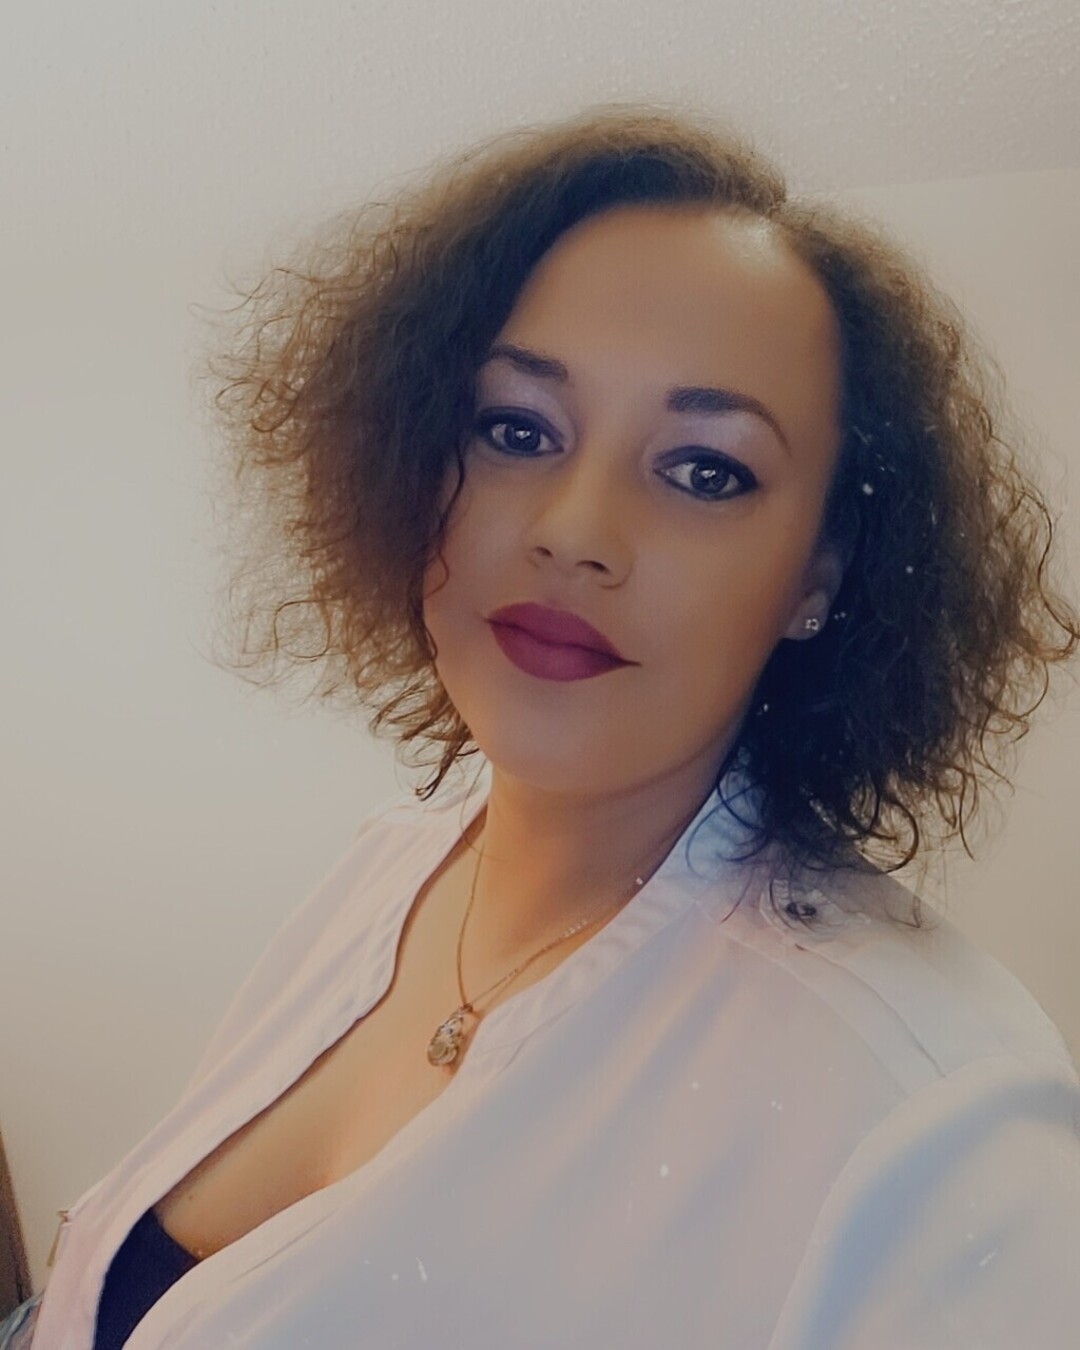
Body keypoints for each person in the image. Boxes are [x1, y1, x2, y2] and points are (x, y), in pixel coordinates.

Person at [7, 100, 1080, 1349]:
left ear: (821, 574)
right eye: (516, 431)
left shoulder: (933, 1114)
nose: (573, 531)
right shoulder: (395, 862)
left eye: (706, 470)